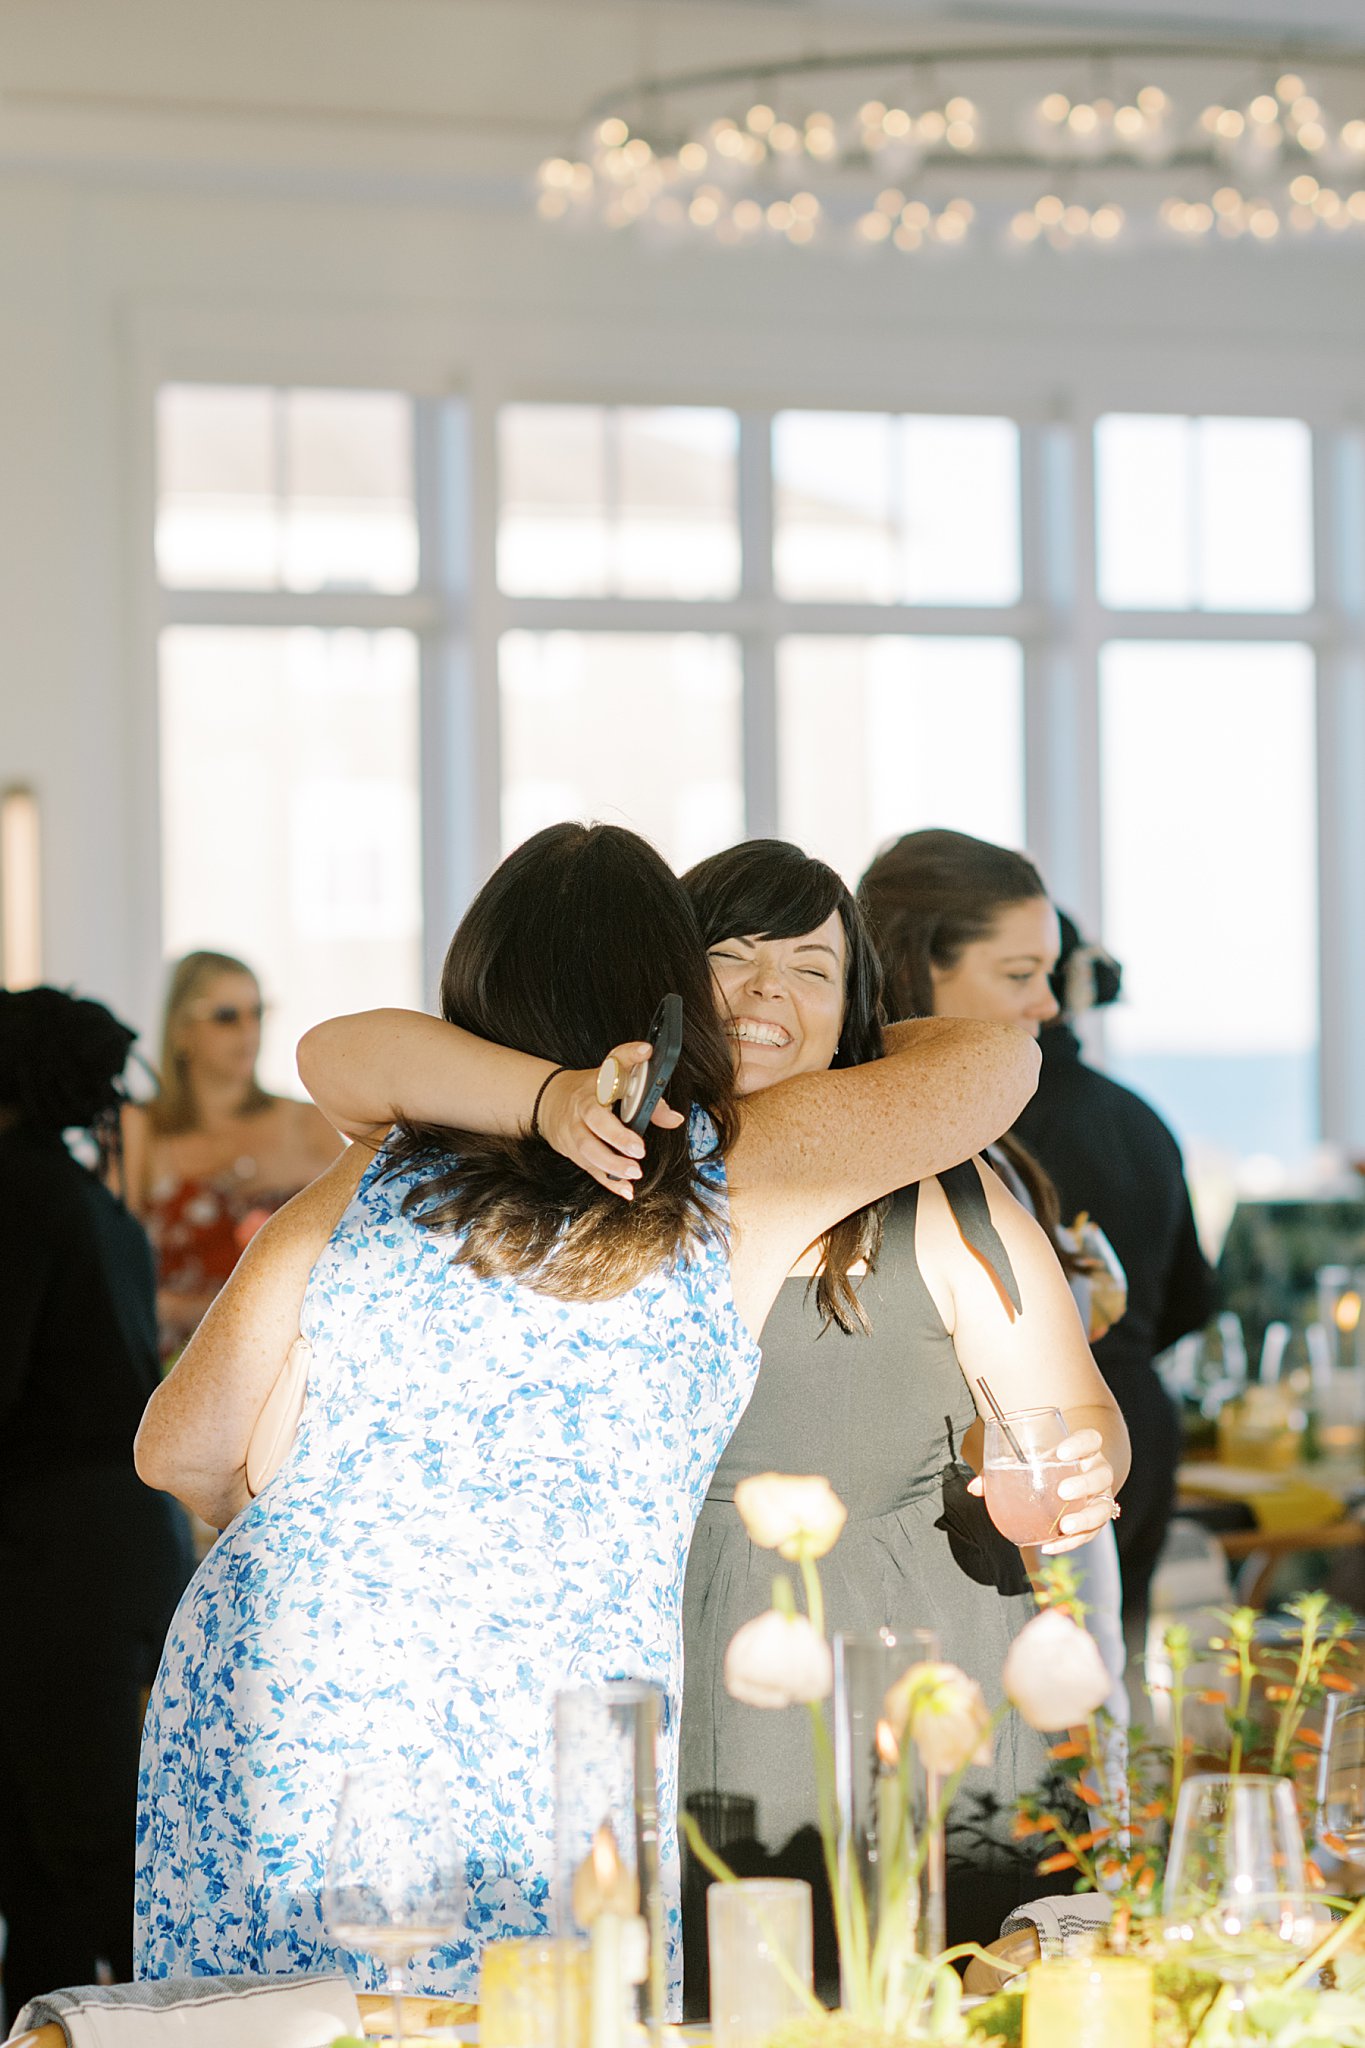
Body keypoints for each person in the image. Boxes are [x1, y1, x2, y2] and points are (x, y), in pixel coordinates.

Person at [132, 823, 1053, 2011]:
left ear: (473, 997)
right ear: (678, 998)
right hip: (553, 1729)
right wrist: (853, 1031)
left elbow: (179, 1448)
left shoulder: (371, 1176)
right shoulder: (739, 1165)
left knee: (259, 2029)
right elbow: (998, 1057)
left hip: (276, 1692)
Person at [674, 841, 1130, 2001]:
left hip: (928, 1654)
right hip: (692, 1656)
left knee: (955, 1984)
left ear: (853, 1014)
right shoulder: (609, 1177)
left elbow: (1072, 1406)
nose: (771, 991)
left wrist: (1067, 1464)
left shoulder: (943, 1187)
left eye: (813, 969)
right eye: (732, 957)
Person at [857, 829, 1130, 1714]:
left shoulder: (988, 1145)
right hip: (960, 1555)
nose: (1048, 1006)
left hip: (1046, 1513)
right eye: (1018, 975)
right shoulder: (875, 1156)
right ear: (911, 969)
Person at [0, 988, 194, 2020]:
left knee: (69, 1851)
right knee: (56, 1846)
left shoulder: (19, 1193)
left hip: (55, 1556)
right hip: (120, 1542)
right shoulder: (93, 1200)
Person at [1011, 910, 1216, 1637]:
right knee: (1111, 1668)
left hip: (1039, 1446)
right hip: (1142, 1420)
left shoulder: (995, 1122)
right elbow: (1194, 1299)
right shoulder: (1140, 1119)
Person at [121, 950, 344, 1361]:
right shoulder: (142, 1129)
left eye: (257, 1012)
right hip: (178, 1362)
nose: (249, 1031)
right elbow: (108, 1272)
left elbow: (359, 1244)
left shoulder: (309, 1121)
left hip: (294, 1360)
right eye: (226, 1016)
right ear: (181, 1030)